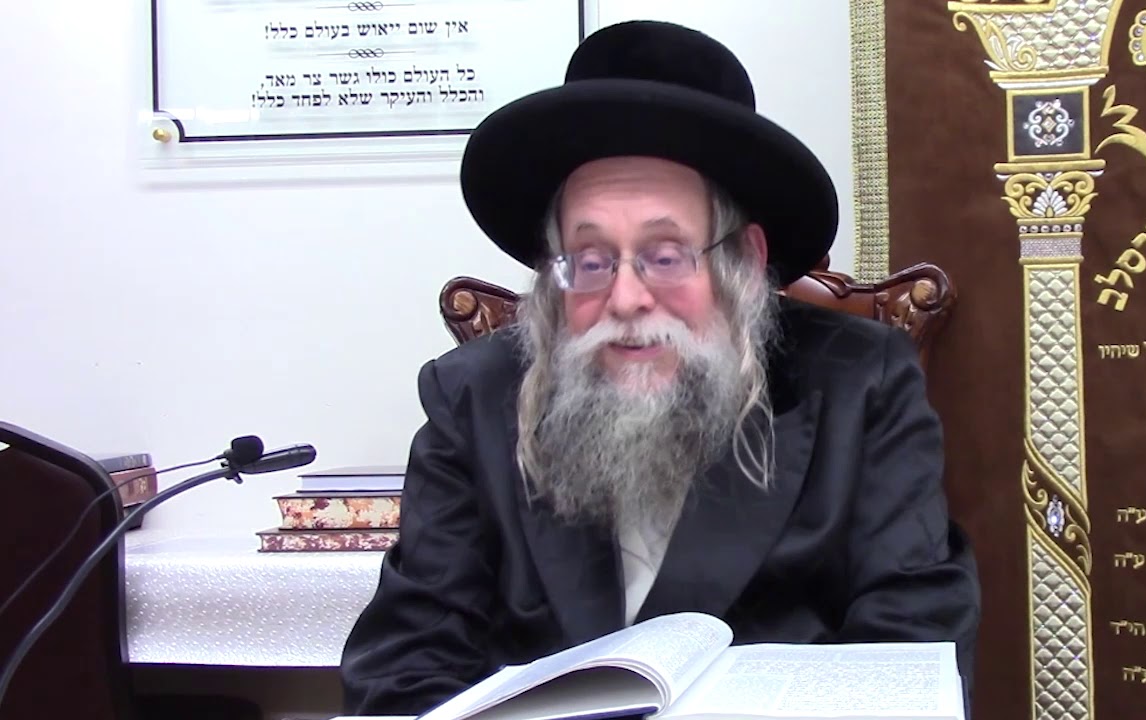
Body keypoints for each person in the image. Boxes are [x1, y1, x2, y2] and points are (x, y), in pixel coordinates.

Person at [339, 19, 980, 716]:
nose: (625, 298)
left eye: (666, 255)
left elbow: (910, 646)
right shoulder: (472, 394)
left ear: (745, 262)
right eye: (591, 259)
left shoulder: (863, 383)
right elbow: (405, 668)